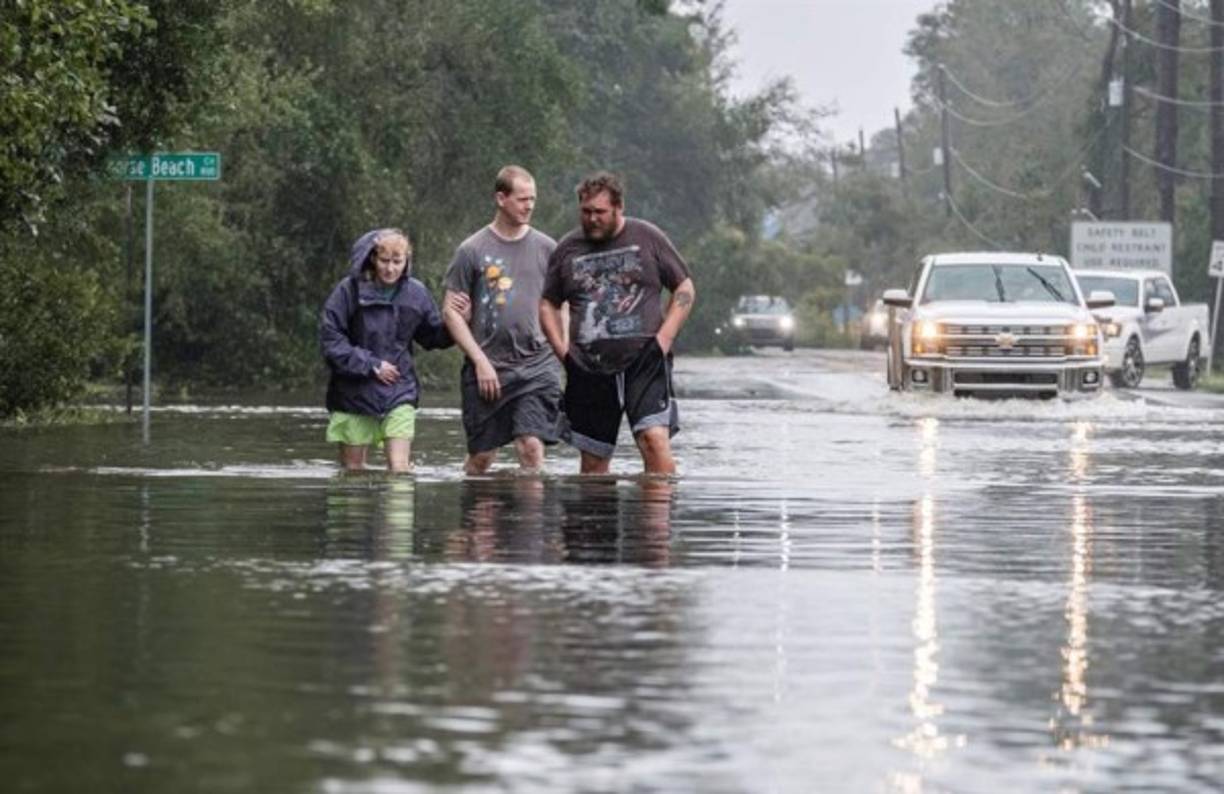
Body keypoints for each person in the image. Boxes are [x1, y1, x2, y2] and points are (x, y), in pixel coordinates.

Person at [540, 171, 696, 475]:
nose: (592, 219)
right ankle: (597, 521)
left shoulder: (647, 237)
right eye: (586, 212)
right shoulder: (567, 249)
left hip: (645, 360)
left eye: (600, 212)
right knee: (594, 461)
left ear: (618, 208)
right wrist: (563, 352)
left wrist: (664, 340)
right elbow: (548, 303)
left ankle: (657, 520)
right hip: (589, 367)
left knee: (654, 440)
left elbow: (685, 288)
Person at [442, 165, 564, 474]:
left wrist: (563, 349)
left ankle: (530, 522)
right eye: (522, 199)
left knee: (531, 447)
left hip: (538, 365)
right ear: (501, 198)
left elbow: (563, 304)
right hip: (488, 368)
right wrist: (479, 360)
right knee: (483, 459)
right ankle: (477, 518)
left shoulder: (549, 249)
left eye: (533, 199)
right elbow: (450, 312)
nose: (530, 206)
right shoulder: (471, 250)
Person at [320, 228, 452, 473]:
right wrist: (371, 365)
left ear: (406, 261)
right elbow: (331, 340)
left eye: (397, 262)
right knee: (353, 471)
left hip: (398, 390)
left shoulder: (417, 293)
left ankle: (397, 503)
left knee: (399, 469)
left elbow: (433, 336)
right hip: (353, 393)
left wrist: (458, 321)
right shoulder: (348, 291)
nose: (390, 269)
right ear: (372, 258)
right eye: (384, 261)